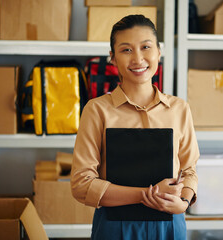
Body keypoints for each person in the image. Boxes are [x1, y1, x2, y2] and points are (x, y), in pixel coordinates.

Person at [71, 14, 199, 240]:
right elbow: (82, 185)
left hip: (169, 226)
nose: (138, 59)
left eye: (146, 47)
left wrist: (184, 202)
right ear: (112, 58)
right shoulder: (96, 110)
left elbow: (189, 171)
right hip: (114, 228)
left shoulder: (180, 109)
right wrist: (145, 195)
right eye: (126, 50)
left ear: (158, 52)